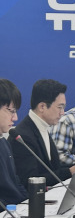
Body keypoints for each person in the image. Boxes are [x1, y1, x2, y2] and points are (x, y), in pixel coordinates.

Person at [11, 79, 75, 188]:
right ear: (42, 107)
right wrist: (70, 171)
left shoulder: (43, 127)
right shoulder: (23, 136)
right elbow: (30, 181)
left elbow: (54, 168)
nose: (62, 113)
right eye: (60, 107)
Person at [0, 78, 29, 207]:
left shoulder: (4, 142)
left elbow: (16, 183)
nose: (15, 118)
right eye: (11, 111)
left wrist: (29, 203)